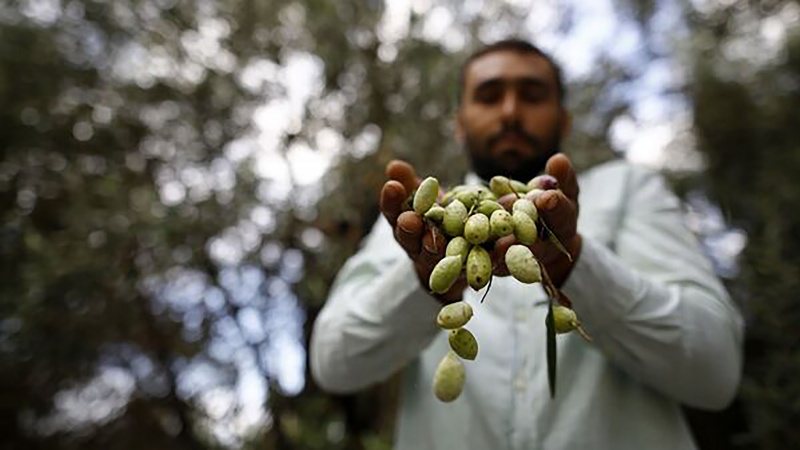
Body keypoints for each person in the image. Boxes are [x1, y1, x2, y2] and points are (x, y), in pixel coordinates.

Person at [310, 39, 744, 450]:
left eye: (533, 95)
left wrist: (572, 263)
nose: (511, 112)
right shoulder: (424, 221)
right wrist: (423, 283)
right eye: (489, 95)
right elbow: (333, 363)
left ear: (564, 119)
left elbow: (717, 372)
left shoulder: (627, 189)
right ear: (460, 125)